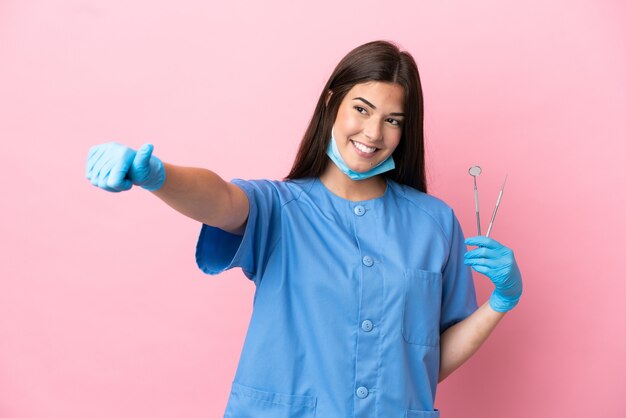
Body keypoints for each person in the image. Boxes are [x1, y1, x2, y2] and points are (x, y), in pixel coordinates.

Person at [85, 40, 523, 418]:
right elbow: (220, 199)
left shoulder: (434, 222)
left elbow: (427, 359)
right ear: (332, 100)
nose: (373, 132)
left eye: (393, 120)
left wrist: (501, 301)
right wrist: (159, 176)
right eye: (362, 109)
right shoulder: (280, 208)